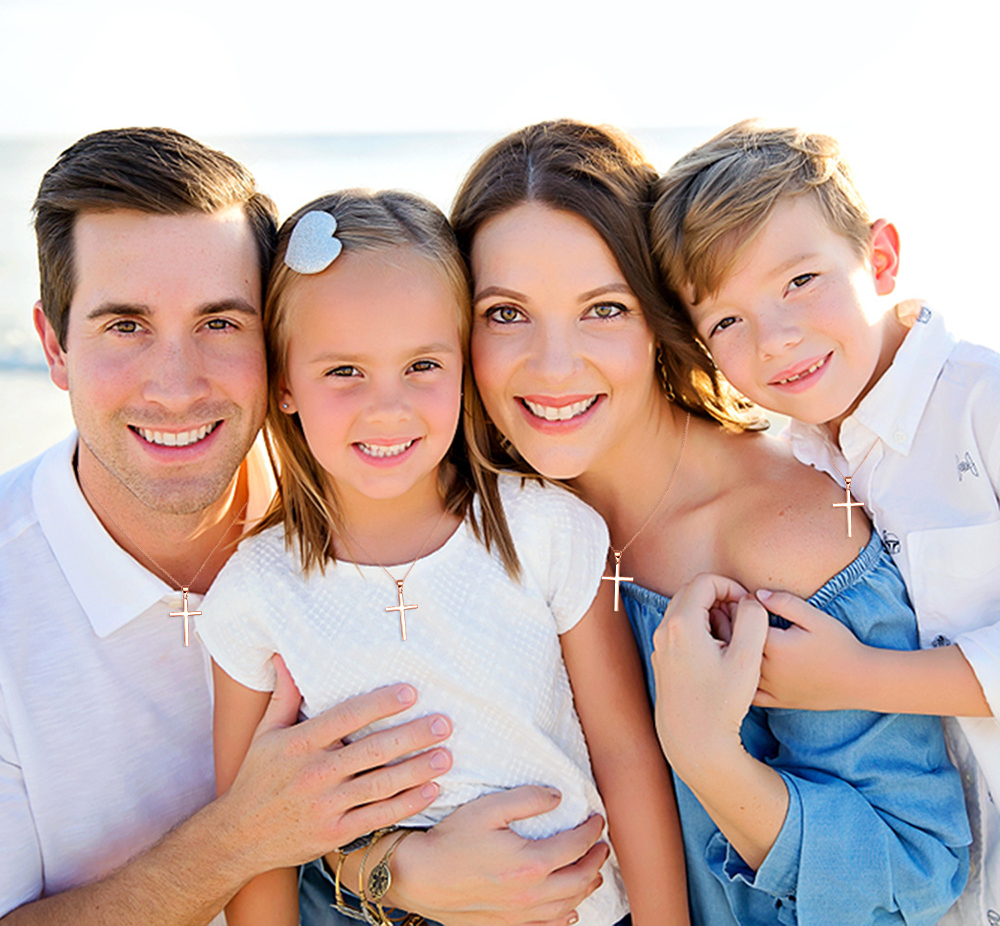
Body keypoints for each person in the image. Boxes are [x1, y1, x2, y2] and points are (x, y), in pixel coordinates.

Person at [450, 118, 972, 925]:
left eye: (603, 308)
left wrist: (711, 762)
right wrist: (389, 874)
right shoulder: (481, 520)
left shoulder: (785, 537)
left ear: (664, 322)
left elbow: (918, 871)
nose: (553, 365)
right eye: (506, 313)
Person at [0, 127, 466, 925]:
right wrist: (240, 840)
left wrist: (384, 870)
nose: (177, 385)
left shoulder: (377, 512)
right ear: (55, 346)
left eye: (221, 323)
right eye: (125, 326)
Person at [197, 188, 686, 926]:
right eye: (343, 372)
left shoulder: (545, 532)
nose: (387, 407)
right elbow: (253, 841)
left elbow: (625, 755)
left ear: (463, 362)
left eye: (422, 365)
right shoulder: (257, 593)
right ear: (285, 384)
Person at [650, 119, 999, 924]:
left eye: (801, 281)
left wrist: (855, 677)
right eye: (727, 323)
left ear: (878, 258)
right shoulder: (798, 461)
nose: (776, 338)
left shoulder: (982, 405)